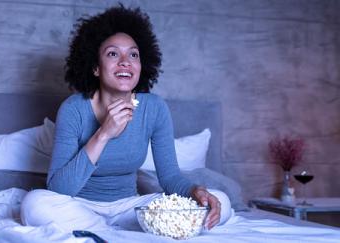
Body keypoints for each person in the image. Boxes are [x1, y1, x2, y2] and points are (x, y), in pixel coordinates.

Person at [21, 5, 233, 232]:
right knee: (34, 205)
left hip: (130, 208)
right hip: (78, 206)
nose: (125, 61)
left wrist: (195, 191)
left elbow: (170, 177)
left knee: (222, 201)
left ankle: (106, 229)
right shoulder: (74, 109)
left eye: (133, 54)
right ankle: (116, 230)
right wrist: (103, 133)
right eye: (113, 54)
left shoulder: (154, 108)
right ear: (95, 67)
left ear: (142, 65)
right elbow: (59, 189)